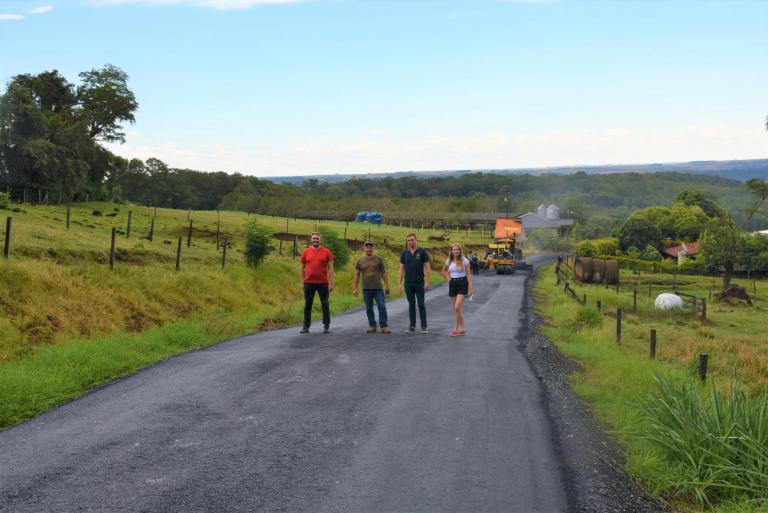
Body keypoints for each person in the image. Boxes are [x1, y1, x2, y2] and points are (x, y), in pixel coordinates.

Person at [353, 241, 391, 334]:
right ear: (364, 249)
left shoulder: (379, 259)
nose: (369, 249)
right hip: (366, 288)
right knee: (369, 308)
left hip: (378, 288)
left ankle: (384, 326)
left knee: (381, 306)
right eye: (367, 247)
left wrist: (387, 286)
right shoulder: (360, 261)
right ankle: (372, 326)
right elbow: (357, 275)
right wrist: (355, 288)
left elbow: (384, 273)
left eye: (370, 247)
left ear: (373, 248)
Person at [299, 232, 334, 334]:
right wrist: (303, 281)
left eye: (317, 238)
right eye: (314, 238)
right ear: (311, 239)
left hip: (323, 283)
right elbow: (302, 267)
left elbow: (331, 268)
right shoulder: (306, 251)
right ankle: (306, 326)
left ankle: (326, 325)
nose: (315, 240)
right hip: (309, 283)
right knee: (307, 305)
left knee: (325, 304)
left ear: (320, 240)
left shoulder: (327, 252)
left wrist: (331, 283)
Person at [398, 233, 431, 334]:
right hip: (408, 283)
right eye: (408, 240)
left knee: (421, 304)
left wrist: (427, 281)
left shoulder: (422, 252)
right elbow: (401, 269)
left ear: (416, 240)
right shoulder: (405, 253)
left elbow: (427, 267)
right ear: (407, 242)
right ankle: (412, 327)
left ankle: (424, 327)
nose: (410, 242)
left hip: (419, 283)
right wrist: (399, 283)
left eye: (412, 240)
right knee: (411, 304)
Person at [442, 243, 473, 336]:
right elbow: (444, 271)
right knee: (457, 309)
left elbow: (468, 274)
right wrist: (449, 279)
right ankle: (462, 327)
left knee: (456, 307)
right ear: (451, 251)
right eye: (454, 250)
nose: (455, 251)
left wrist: (470, 288)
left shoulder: (465, 261)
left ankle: (455, 329)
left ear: (460, 250)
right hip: (453, 284)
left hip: (462, 283)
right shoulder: (449, 260)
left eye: (457, 249)